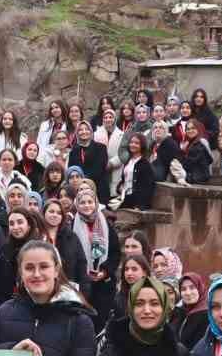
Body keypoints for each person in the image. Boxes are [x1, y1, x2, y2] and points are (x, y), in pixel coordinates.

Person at [71, 187, 122, 329]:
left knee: (100, 324)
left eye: (90, 202)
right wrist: (83, 273)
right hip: (82, 285)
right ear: (77, 205)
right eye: (82, 202)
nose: (87, 205)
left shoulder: (106, 224)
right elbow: (71, 255)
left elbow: (115, 253)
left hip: (103, 285)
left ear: (96, 203)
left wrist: (104, 271)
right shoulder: (72, 226)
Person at [41, 197, 88, 291]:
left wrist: (84, 290)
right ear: (44, 213)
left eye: (58, 213)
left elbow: (81, 264)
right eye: (51, 211)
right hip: (42, 287)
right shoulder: (36, 236)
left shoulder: (71, 237)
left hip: (67, 288)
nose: (55, 215)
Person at [109, 131, 156, 210]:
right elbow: (124, 180)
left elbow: (147, 187)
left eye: (137, 143)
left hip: (135, 199)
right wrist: (119, 187)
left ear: (142, 146)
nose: (133, 145)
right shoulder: (128, 161)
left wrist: (140, 206)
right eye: (131, 142)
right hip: (124, 196)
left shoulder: (145, 164)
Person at [67, 120, 111, 203]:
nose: (84, 132)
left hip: (99, 189)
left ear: (91, 131)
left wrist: (83, 181)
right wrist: (79, 184)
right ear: (77, 133)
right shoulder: (74, 151)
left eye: (86, 129)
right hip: (79, 190)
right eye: (80, 130)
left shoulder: (101, 148)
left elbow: (99, 168)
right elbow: (72, 170)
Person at [173, 272, 209, 348]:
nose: (188, 293)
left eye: (192, 287)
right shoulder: (180, 312)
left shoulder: (205, 315)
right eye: (183, 289)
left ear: (200, 288)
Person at [178, 120, 214, 184]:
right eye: (188, 129)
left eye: (193, 128)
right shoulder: (190, 143)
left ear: (198, 129)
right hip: (194, 175)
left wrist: (182, 152)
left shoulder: (200, 143)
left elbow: (188, 163)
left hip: (198, 177)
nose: (190, 131)